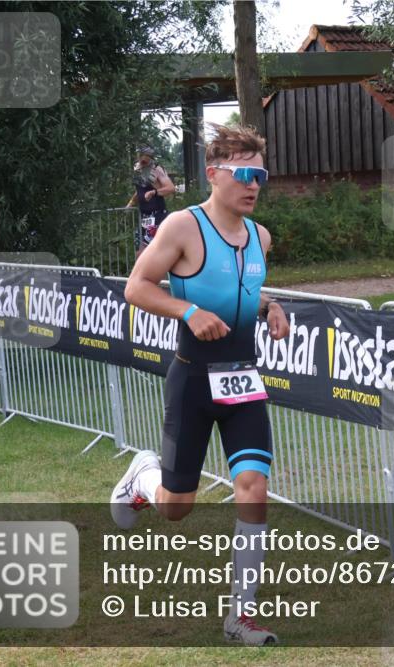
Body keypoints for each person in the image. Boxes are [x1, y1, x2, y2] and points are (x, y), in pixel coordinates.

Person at [110, 124, 289, 646]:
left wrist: (273, 307)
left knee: (254, 489)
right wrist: (187, 310)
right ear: (214, 175)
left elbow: (244, 295)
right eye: (245, 174)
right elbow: (136, 287)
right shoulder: (183, 228)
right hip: (193, 380)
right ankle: (142, 476)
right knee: (176, 507)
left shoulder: (261, 237)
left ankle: (241, 616)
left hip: (243, 382)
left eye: (262, 174)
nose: (255, 184)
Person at [127, 146, 176, 257]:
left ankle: (158, 273)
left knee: (151, 254)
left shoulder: (157, 169)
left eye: (147, 159)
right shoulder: (137, 168)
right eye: (141, 158)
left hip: (156, 215)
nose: (143, 161)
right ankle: (146, 274)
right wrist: (130, 204)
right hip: (143, 216)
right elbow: (139, 191)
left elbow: (171, 188)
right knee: (139, 253)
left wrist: (154, 192)